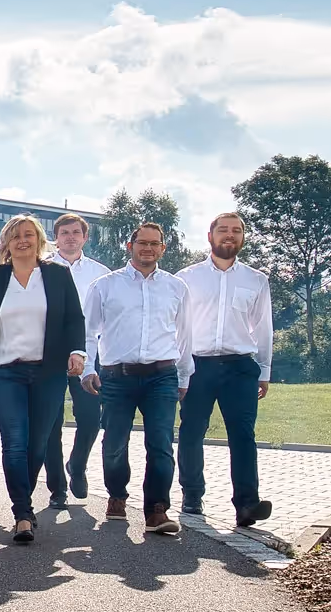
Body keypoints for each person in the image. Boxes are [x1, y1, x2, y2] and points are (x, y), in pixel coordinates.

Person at [0, 215, 88, 544]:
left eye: (28, 234)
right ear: (6, 243)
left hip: (48, 372)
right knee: (15, 441)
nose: (22, 240)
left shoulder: (57, 276)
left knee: (38, 443)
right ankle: (23, 513)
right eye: (15, 236)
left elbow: (74, 318)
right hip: (4, 371)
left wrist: (77, 352)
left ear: (39, 240)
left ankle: (22, 501)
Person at [82, 220, 190, 537]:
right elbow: (88, 331)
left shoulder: (176, 287)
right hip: (117, 377)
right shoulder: (105, 286)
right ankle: (117, 495)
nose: (148, 248)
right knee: (115, 443)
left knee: (161, 444)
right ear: (130, 246)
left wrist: (184, 375)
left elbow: (185, 335)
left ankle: (157, 509)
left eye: (155, 243)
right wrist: (88, 368)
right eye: (142, 242)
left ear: (163, 249)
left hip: (162, 376)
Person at [177, 212, 275, 530]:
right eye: (223, 230)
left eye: (236, 230)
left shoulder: (256, 280)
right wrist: (180, 370)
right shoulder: (186, 278)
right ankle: (192, 496)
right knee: (192, 431)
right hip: (197, 365)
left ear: (243, 237)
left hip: (240, 367)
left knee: (243, 435)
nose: (229, 235)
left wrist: (264, 371)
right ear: (210, 236)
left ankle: (246, 504)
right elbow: (177, 327)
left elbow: (263, 328)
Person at [38, 213, 110, 504]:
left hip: (89, 356)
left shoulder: (101, 274)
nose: (70, 237)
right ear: (56, 238)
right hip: (48, 356)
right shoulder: (41, 268)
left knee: (91, 419)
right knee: (50, 425)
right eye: (64, 232)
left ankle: (77, 465)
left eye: (76, 232)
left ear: (85, 237)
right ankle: (57, 489)